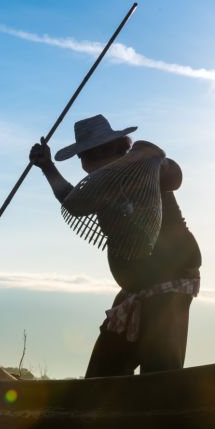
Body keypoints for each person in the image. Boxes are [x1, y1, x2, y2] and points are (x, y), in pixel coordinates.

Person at [29, 114, 201, 378]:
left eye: (91, 155)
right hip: (134, 291)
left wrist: (149, 158)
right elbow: (74, 203)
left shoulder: (147, 168)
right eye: (84, 158)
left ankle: (159, 415)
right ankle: (98, 413)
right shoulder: (101, 187)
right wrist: (47, 168)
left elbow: (174, 174)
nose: (86, 164)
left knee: (160, 374)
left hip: (170, 287)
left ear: (116, 148)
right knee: (103, 371)